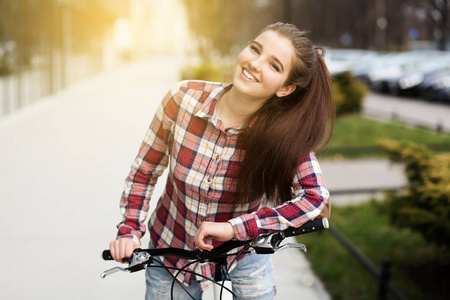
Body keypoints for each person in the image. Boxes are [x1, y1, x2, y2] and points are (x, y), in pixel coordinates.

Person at [109, 22, 334, 300]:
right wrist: (129, 231)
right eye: (255, 49)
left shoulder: (282, 134)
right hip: (171, 253)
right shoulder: (182, 99)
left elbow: (316, 198)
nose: (255, 63)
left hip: (244, 258)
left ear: (285, 89)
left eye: (274, 66)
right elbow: (144, 171)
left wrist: (234, 229)